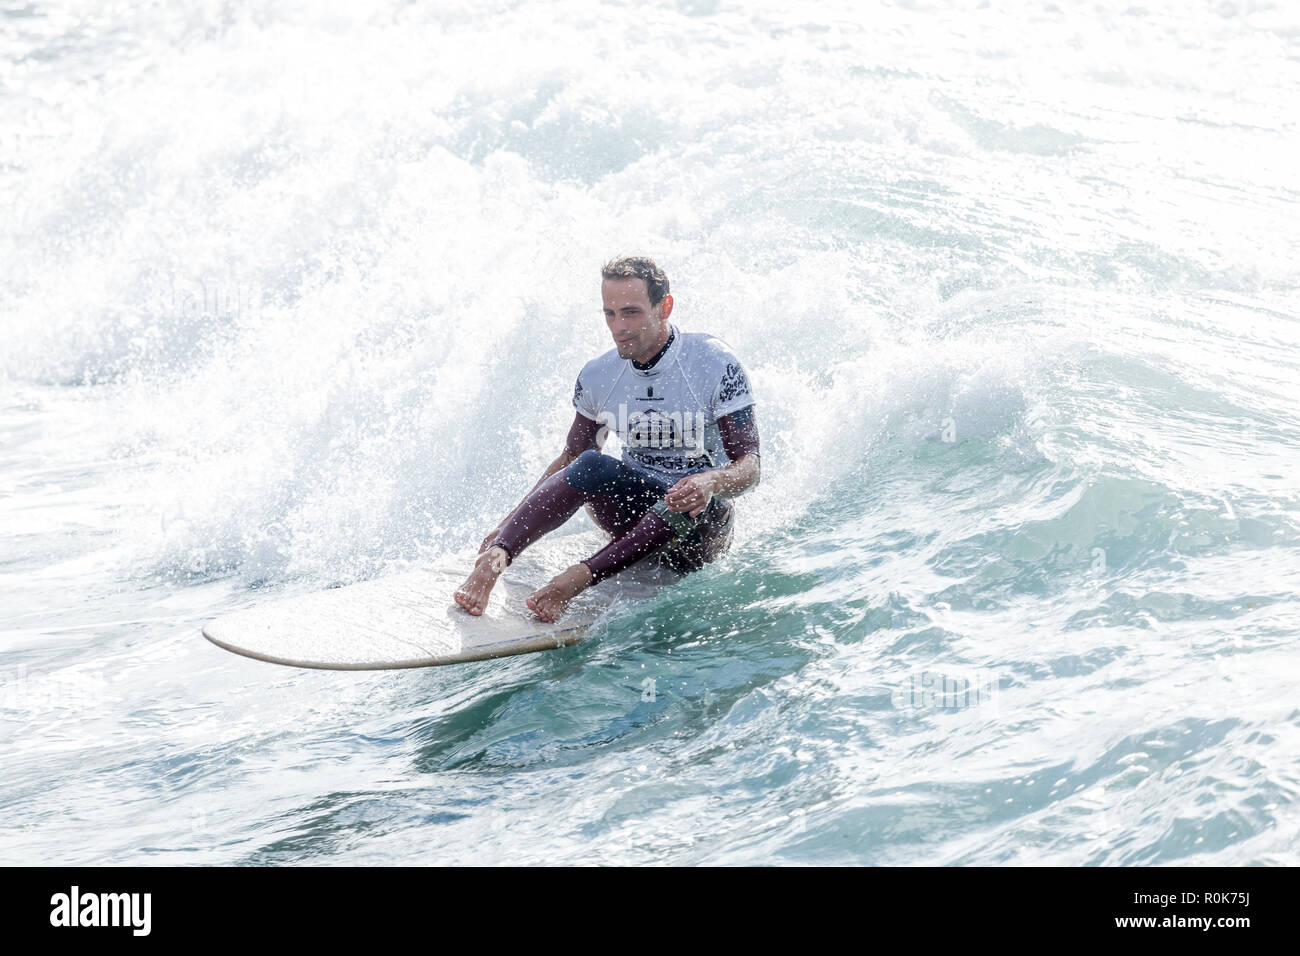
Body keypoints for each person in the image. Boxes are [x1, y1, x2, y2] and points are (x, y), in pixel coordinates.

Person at [454, 256, 761, 622]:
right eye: (609, 314)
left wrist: (710, 482)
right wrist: (508, 526)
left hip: (699, 532)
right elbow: (571, 462)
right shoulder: (600, 375)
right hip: (633, 518)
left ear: (664, 306)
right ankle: (496, 560)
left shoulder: (711, 362)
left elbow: (750, 467)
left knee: (684, 496)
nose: (619, 327)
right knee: (590, 463)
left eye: (630, 313)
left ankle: (576, 580)